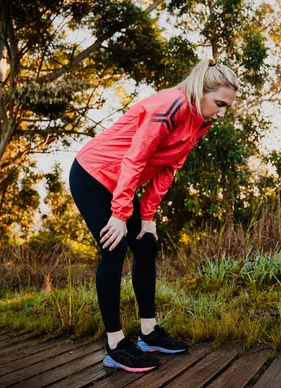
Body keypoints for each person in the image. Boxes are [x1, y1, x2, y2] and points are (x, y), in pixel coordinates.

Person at [69, 58, 239, 372]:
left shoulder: (200, 121)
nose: (222, 113)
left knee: (146, 244)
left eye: (227, 107)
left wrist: (146, 217)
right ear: (200, 91)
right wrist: (120, 214)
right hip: (93, 173)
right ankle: (115, 345)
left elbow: (167, 168)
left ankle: (148, 334)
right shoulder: (171, 106)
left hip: (120, 180)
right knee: (114, 247)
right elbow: (136, 157)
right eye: (219, 103)